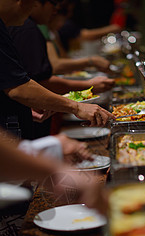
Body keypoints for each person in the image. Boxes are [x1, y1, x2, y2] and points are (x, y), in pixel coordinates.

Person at [0, 0, 115, 141]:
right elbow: (18, 87)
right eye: (53, 3)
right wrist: (77, 107)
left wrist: (25, 108)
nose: (35, 5)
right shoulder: (26, 28)